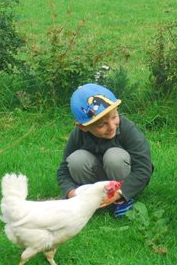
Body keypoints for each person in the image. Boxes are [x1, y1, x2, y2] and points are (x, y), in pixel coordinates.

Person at [57, 83, 153, 218]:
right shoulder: (78, 135)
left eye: (114, 117)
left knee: (115, 157)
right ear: (83, 127)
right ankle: (92, 200)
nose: (111, 126)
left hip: (122, 181)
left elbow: (144, 168)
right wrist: (70, 192)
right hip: (94, 181)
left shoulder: (128, 130)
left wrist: (120, 192)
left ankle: (122, 200)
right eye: (102, 124)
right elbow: (63, 170)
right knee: (75, 159)